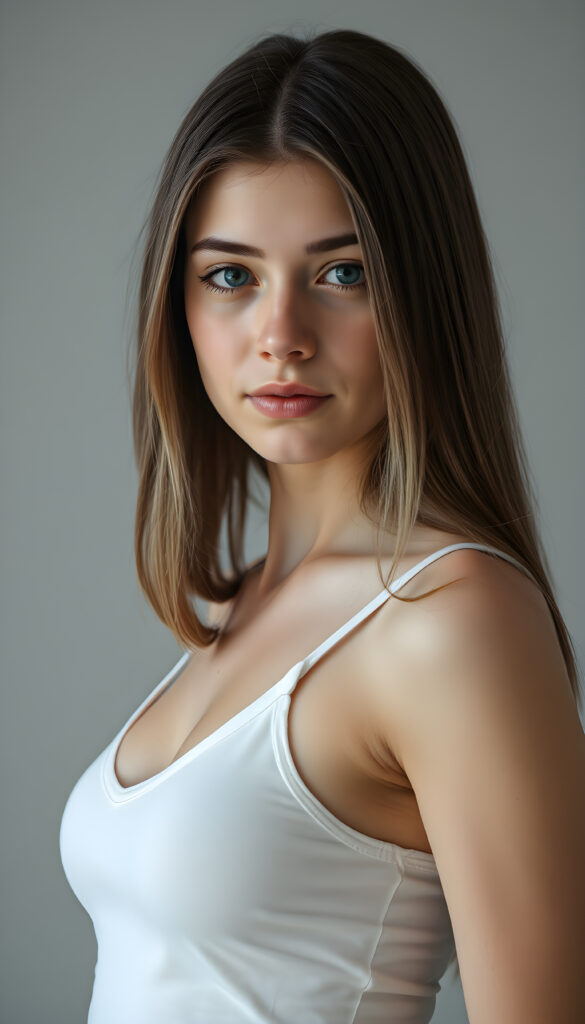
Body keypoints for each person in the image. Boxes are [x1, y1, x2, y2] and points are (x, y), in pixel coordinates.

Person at [59, 27, 585, 1024]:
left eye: (340, 273)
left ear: (420, 291)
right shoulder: (240, 603)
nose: (281, 336)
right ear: (179, 307)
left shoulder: (452, 620)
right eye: (231, 275)